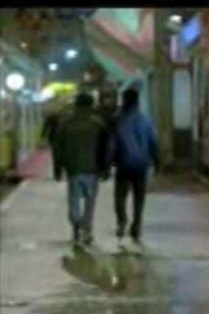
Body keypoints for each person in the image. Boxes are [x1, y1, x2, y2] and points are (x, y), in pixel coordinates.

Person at [54, 92, 108, 245]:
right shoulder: (99, 124)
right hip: (93, 169)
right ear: (91, 105)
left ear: (76, 104)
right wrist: (105, 167)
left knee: (74, 199)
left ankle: (76, 226)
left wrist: (58, 167)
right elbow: (105, 148)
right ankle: (87, 229)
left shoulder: (66, 123)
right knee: (90, 201)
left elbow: (58, 147)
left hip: (73, 168)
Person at [109, 88, 160, 245]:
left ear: (124, 101)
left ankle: (122, 221)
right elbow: (153, 141)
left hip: (123, 164)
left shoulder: (118, 120)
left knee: (120, 196)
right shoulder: (146, 120)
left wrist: (108, 162)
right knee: (139, 198)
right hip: (141, 165)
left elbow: (112, 144)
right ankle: (136, 226)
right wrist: (157, 161)